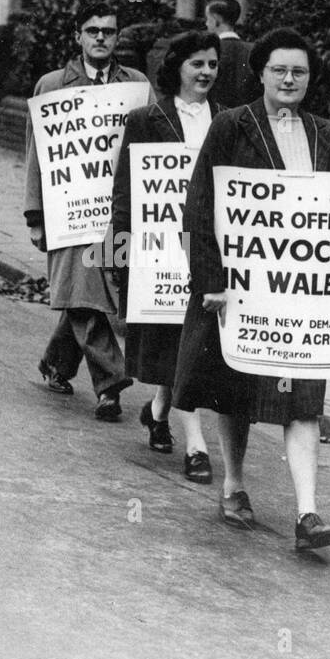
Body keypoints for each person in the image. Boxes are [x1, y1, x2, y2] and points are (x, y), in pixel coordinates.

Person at [172, 27, 330, 550]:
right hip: (242, 287)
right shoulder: (232, 126)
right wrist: (209, 281)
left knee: (304, 398)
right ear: (260, 73)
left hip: (304, 293)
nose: (290, 79)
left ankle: (308, 512)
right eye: (279, 70)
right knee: (237, 390)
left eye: (299, 71)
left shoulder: (325, 133)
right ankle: (234, 484)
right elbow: (200, 205)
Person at [23, 0, 150, 420]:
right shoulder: (52, 85)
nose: (100, 38)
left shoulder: (136, 86)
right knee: (82, 292)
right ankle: (111, 383)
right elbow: (36, 155)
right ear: (78, 36)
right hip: (68, 211)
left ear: (117, 38)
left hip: (116, 211)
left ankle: (56, 363)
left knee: (88, 293)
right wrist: (35, 214)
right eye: (92, 30)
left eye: (108, 32)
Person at [111, 30, 220, 482]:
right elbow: (125, 190)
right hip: (162, 250)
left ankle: (158, 411)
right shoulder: (145, 119)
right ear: (177, 67)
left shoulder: (229, 120)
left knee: (192, 341)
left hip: (209, 249)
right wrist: (120, 250)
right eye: (198, 64)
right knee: (177, 338)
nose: (207, 72)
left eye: (213, 64)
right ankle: (196, 445)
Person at [202, 0, 261, 108]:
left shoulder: (208, 51)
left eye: (208, 19)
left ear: (216, 20)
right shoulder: (254, 50)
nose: (206, 24)